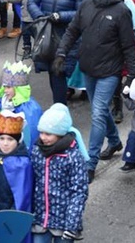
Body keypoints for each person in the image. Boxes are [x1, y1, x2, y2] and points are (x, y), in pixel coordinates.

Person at [52, 0, 135, 181]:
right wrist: (61, 53)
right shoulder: (87, 5)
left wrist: (132, 75)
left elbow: (128, 46)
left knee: (98, 111)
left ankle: (90, 162)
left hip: (110, 71)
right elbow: (72, 31)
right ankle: (115, 141)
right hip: (88, 67)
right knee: (100, 110)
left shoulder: (121, 11)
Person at [27, 0, 87, 104]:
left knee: (58, 71)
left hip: (66, 37)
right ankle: (59, 107)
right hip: (46, 34)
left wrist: (61, 16)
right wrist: (40, 17)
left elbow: (81, 13)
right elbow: (32, 1)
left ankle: (60, 110)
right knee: (52, 73)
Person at [31, 103, 89, 241]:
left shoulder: (73, 157)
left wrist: (72, 225)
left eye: (48, 134)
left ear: (60, 134)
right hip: (40, 220)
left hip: (64, 223)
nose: (43, 137)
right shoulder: (37, 150)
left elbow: (79, 192)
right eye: (41, 132)